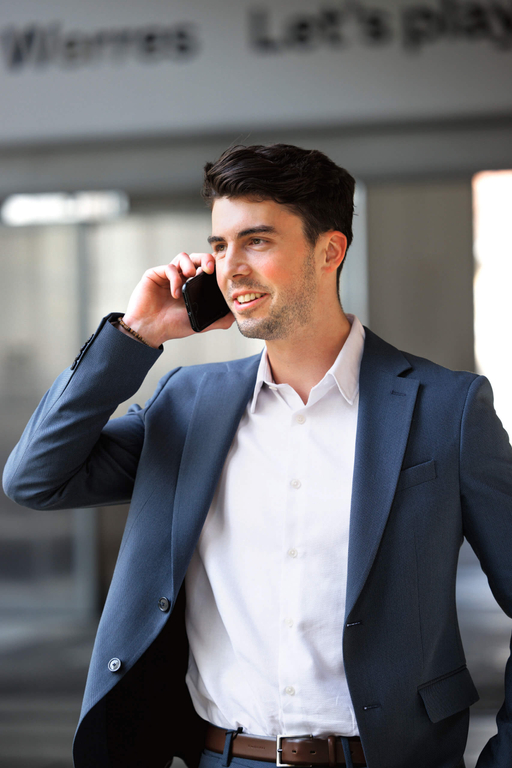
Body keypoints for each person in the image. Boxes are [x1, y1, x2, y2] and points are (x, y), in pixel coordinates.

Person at [3, 144, 512, 768]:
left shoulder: (447, 408)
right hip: (224, 756)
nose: (230, 268)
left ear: (330, 250)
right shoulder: (189, 404)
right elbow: (35, 478)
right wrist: (135, 337)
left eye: (257, 241)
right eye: (219, 246)